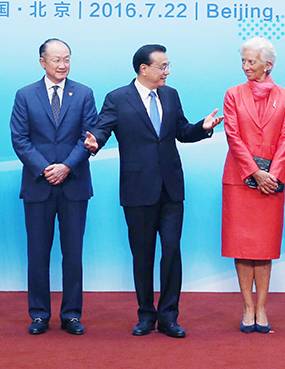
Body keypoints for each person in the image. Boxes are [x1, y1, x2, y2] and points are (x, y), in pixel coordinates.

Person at [84, 44, 223, 338]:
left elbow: (182, 131)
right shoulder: (117, 98)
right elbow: (102, 129)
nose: (167, 72)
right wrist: (94, 142)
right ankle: (146, 314)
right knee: (143, 254)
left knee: (171, 250)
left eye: (168, 66)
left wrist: (203, 127)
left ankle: (169, 316)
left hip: (171, 188)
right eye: (162, 66)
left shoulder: (170, 95)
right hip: (137, 189)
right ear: (143, 69)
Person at [10, 39, 97, 335]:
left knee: (73, 254)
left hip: (74, 184)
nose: (62, 65)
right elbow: (20, 138)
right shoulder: (25, 95)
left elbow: (89, 136)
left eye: (67, 59)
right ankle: (39, 314)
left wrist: (66, 166)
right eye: (57, 59)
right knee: (37, 253)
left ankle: (71, 314)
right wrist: (46, 168)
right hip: (38, 184)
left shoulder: (84, 93)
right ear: (42, 62)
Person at [221, 37, 285, 334]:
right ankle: (247, 307)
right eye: (243, 61)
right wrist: (255, 172)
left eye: (251, 61)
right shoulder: (232, 94)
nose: (245, 66)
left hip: (271, 183)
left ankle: (261, 308)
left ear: (268, 65)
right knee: (242, 246)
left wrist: (271, 176)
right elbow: (233, 136)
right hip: (239, 179)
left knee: (264, 248)